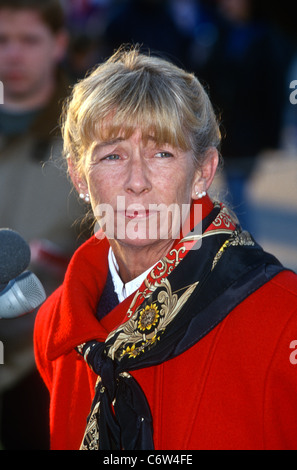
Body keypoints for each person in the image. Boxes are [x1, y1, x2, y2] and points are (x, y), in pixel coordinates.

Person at [34, 46, 297, 451]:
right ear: (79, 177)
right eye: (112, 155)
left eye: (162, 153)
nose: (136, 180)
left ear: (202, 173)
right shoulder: (57, 328)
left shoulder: (283, 318)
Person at [0, 0, 87, 450]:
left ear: (58, 44)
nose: (12, 55)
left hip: (52, 363)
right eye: (2, 41)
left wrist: (58, 259)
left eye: (28, 40)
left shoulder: (96, 139)